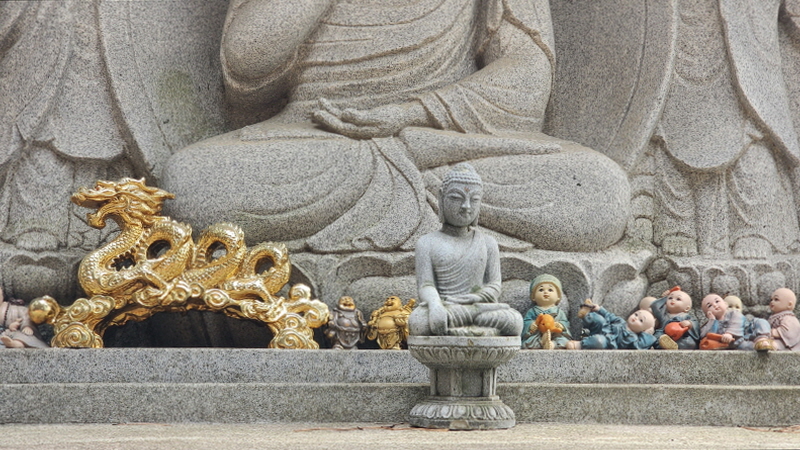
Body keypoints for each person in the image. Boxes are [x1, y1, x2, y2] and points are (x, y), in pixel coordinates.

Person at [161, 0, 630, 254]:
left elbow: (528, 78)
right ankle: (440, 203)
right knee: (194, 184)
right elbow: (247, 67)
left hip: (442, 139)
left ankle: (423, 188)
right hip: (315, 138)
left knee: (597, 189)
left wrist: (413, 113)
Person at [409, 163, 522, 337]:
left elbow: (494, 285)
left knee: (514, 321)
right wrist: (436, 305)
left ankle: (460, 325)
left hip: (478, 307)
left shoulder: (488, 243)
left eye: (474, 200)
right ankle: (473, 328)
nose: (466, 206)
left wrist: (475, 298)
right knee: (418, 322)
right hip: (445, 306)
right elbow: (426, 285)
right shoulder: (426, 242)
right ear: (441, 198)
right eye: (456, 198)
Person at [566, 299, 657, 350]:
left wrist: (647, 334)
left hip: (608, 343)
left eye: (641, 320)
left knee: (599, 341)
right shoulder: (621, 321)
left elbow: (642, 345)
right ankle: (585, 314)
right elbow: (609, 315)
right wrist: (599, 309)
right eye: (636, 314)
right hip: (602, 330)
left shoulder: (634, 338)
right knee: (598, 319)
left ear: (643, 330)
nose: (636, 318)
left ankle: (580, 344)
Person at [699, 293, 773, 351]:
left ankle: (762, 339)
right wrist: (712, 321)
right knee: (746, 347)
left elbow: (737, 321)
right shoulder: (710, 323)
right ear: (707, 314)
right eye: (709, 306)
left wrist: (729, 333)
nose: (715, 305)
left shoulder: (734, 313)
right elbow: (706, 336)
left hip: (748, 331)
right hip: (736, 342)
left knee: (761, 322)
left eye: (717, 301)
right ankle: (759, 346)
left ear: (725, 304)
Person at [521, 274, 571, 349]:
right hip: (537, 335)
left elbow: (566, 323)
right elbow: (526, 322)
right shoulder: (532, 311)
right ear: (533, 297)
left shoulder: (559, 312)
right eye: (541, 290)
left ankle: (552, 344)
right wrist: (531, 325)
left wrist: (561, 325)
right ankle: (542, 342)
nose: (545, 292)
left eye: (550, 290)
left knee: (564, 341)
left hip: (555, 334)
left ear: (558, 297)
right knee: (527, 343)